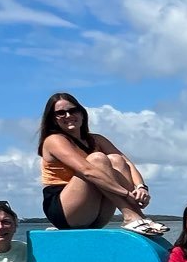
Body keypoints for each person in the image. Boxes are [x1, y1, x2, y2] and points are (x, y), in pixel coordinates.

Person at [37, 90, 166, 234]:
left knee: (116, 160)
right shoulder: (54, 140)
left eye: (73, 110)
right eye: (60, 113)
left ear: (82, 113)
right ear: (53, 118)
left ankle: (138, 216)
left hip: (95, 213)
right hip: (66, 211)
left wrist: (141, 187)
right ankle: (130, 215)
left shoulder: (97, 139)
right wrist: (127, 194)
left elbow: (127, 163)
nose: (68, 115)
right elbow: (88, 171)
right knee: (97, 159)